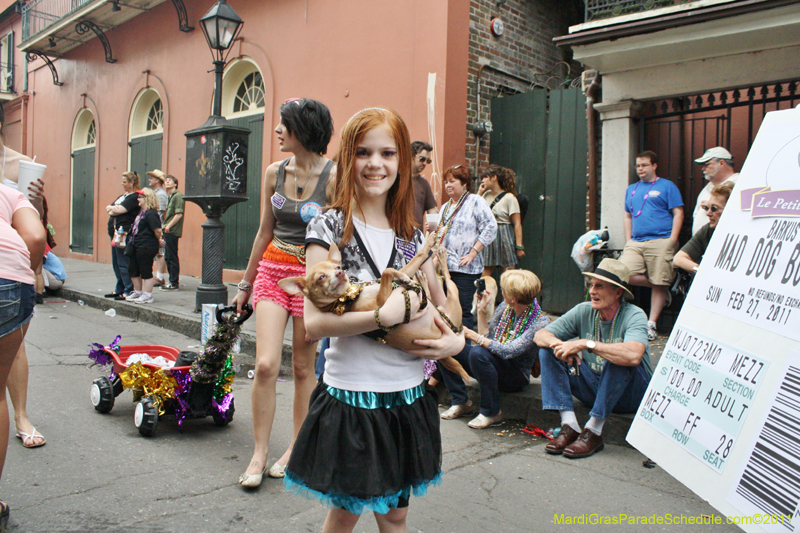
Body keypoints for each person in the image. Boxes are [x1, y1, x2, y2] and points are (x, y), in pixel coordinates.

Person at [285, 107, 465, 532]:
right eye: (364, 152)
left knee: (396, 515)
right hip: (353, 398)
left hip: (408, 396)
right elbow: (314, 323)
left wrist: (455, 344)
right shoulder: (330, 226)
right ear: (348, 158)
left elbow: (445, 311)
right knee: (345, 512)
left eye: (387, 153)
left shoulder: (413, 235)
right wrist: (382, 318)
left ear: (402, 160)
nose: (375, 164)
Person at [231, 98, 335, 488]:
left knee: (305, 368)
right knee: (265, 365)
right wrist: (245, 283)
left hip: (312, 279)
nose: (276, 131)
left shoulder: (335, 176)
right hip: (273, 271)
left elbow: (342, 236)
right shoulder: (275, 172)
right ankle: (259, 453)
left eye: (283, 125)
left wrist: (325, 291)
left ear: (303, 130)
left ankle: (295, 448)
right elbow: (264, 230)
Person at [534, 258, 651, 459]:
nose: (592, 291)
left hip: (631, 395)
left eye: (600, 286)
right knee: (548, 350)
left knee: (618, 357)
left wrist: (585, 344)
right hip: (595, 387)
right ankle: (569, 425)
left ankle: (594, 431)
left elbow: (633, 355)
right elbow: (540, 335)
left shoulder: (634, 314)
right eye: (591, 285)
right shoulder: (584, 310)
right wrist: (562, 347)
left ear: (618, 292)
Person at [439, 269, 549, 429]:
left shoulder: (540, 322)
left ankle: (491, 412)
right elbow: (490, 337)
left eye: (504, 290)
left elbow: (509, 351)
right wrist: (481, 309)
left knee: (477, 352)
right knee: (447, 345)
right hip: (493, 361)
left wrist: (473, 336)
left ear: (513, 298)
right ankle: (461, 402)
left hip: (515, 374)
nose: (501, 292)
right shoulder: (505, 307)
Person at [1, 181, 47, 529]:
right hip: (11, 279)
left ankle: (22, 417)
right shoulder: (7, 189)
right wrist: (26, 271)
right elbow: (35, 237)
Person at [619, 151, 684, 341]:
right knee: (622, 273)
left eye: (644, 165)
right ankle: (663, 288)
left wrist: (672, 239)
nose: (640, 169)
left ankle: (651, 323)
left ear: (654, 166)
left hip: (661, 239)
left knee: (660, 280)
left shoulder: (667, 186)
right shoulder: (631, 189)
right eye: (638, 166)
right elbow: (627, 215)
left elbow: (678, 212)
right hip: (636, 241)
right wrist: (629, 239)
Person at [435, 164, 497, 330]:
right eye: (446, 182)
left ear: (464, 183)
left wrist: (473, 252)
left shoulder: (475, 201)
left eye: (452, 181)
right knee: (445, 309)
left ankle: (464, 350)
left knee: (463, 311)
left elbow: (491, 227)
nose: (448, 185)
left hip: (465, 268)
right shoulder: (445, 207)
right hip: (445, 268)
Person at [674, 181, 733, 274]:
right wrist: (702, 272)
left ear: (730, 209)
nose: (708, 213)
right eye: (707, 208)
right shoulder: (708, 230)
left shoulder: (743, 232)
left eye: (714, 208)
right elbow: (679, 258)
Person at [476, 164, 525, 276]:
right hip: (489, 234)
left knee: (508, 273)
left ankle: (509, 293)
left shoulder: (509, 198)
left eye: (485, 177)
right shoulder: (485, 195)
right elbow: (473, 209)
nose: (482, 180)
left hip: (504, 233)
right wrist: (479, 192)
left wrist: (519, 246)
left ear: (494, 177)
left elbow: (517, 223)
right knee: (485, 271)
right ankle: (483, 293)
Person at [104, 172, 141, 300]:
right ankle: (119, 288)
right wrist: (113, 208)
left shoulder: (134, 197)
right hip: (115, 233)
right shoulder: (122, 196)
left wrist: (113, 209)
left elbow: (120, 210)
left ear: (132, 183)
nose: (122, 184)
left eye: (124, 182)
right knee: (116, 263)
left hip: (124, 234)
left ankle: (128, 289)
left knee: (123, 262)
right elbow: (109, 208)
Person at [124, 188, 162, 304]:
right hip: (136, 244)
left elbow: (157, 230)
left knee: (145, 270)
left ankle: (148, 295)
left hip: (146, 245)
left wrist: (158, 239)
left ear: (147, 199)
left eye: (140, 197)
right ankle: (138, 291)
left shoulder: (151, 214)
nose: (138, 199)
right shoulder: (141, 213)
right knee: (133, 269)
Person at [691, 147, 739, 235]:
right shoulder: (707, 187)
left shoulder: (738, 184)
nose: (703, 169)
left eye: (707, 164)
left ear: (721, 163)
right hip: (701, 244)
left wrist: (713, 206)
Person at [160, 175, 184, 291]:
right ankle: (171, 281)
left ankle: (174, 282)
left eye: (170, 180)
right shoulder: (170, 196)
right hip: (167, 229)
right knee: (168, 256)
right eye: (166, 180)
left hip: (171, 230)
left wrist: (168, 226)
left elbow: (179, 214)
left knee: (171, 256)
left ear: (175, 184)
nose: (167, 182)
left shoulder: (178, 196)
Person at [146, 169, 169, 287]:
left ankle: (160, 277)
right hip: (156, 226)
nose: (149, 180)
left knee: (160, 253)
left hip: (158, 226)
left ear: (157, 181)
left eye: (151, 178)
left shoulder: (160, 195)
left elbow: (163, 213)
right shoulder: (157, 193)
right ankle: (158, 276)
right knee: (158, 252)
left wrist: (161, 229)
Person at [411, 141, 438, 229]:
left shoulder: (424, 183)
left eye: (428, 161)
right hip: (394, 236)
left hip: (415, 238)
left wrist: (433, 229)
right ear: (411, 156)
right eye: (422, 159)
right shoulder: (396, 178)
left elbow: (432, 210)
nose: (425, 163)